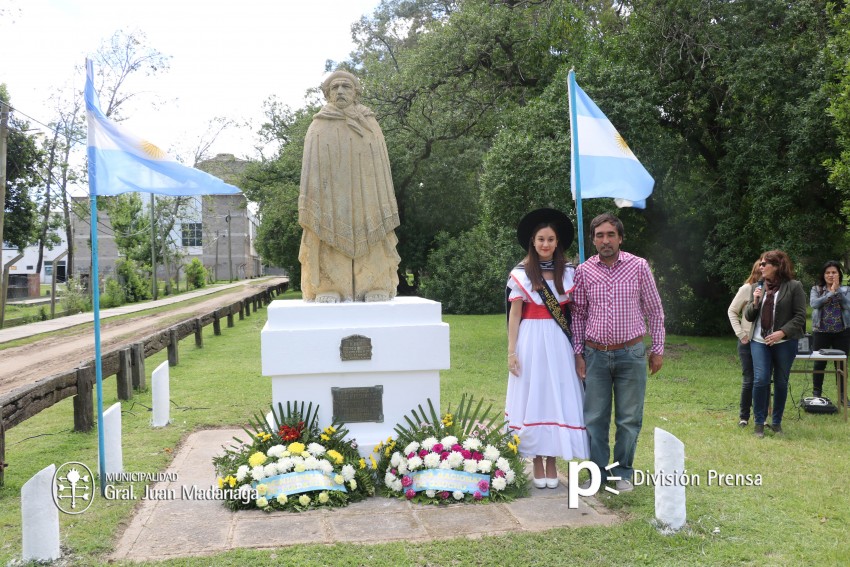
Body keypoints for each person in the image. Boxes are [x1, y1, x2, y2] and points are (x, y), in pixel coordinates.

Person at [572, 212, 665, 492]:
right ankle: (597, 472)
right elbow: (578, 315)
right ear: (593, 240)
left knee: (628, 418)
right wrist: (578, 353)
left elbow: (654, 310)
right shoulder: (584, 271)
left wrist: (658, 348)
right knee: (595, 418)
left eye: (610, 234)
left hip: (631, 353)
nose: (605, 240)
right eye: (599, 235)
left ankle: (622, 472)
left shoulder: (638, 267)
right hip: (595, 354)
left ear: (620, 238)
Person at [298, 70, 401, 302]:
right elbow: (311, 169)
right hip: (330, 194)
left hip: (367, 193)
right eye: (335, 87)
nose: (341, 91)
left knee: (373, 232)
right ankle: (328, 286)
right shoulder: (318, 124)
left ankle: (375, 283)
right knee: (326, 232)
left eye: (346, 87)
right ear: (327, 94)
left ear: (356, 93)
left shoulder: (369, 122)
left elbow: (379, 164)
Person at [505, 208, 589, 489]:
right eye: (541, 239)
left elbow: (576, 314)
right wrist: (511, 351)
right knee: (535, 393)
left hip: (558, 342)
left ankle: (552, 459)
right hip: (530, 339)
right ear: (533, 241)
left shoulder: (569, 272)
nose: (545, 244)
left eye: (551, 239)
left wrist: (579, 351)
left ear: (557, 243)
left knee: (556, 394)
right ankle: (537, 460)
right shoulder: (521, 273)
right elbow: (514, 315)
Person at [743, 250, 806, 437]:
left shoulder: (794, 286)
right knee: (761, 379)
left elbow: (800, 316)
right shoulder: (758, 286)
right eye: (760, 264)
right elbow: (748, 315)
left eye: (764, 264)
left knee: (780, 382)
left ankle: (776, 422)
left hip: (784, 342)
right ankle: (759, 423)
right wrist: (754, 302)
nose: (760, 267)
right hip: (759, 341)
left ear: (777, 266)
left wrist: (782, 332)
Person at [727, 259, 763, 427]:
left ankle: (760, 416)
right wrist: (741, 334)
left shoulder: (773, 291)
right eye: (760, 269)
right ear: (755, 271)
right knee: (749, 379)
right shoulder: (747, 288)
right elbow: (732, 311)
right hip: (747, 342)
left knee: (762, 379)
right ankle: (744, 417)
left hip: (764, 342)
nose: (763, 272)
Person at [809, 260, 850, 401]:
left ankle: (843, 396)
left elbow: (848, 306)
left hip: (842, 331)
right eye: (828, 272)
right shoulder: (816, 289)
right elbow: (814, 304)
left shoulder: (846, 290)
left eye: (834, 272)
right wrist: (830, 293)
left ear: (839, 274)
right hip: (821, 331)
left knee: (841, 364)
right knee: (819, 363)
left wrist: (837, 291)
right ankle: (816, 394)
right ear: (823, 275)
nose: (831, 275)